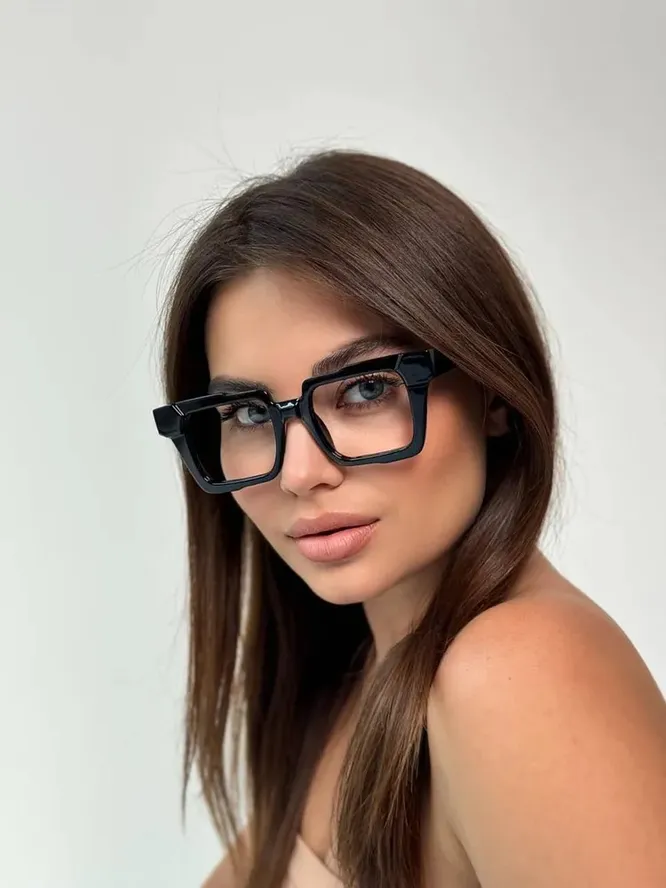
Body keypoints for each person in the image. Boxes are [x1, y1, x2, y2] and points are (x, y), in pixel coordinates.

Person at [152, 150, 666, 888]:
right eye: (249, 414)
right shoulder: (360, 681)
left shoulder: (514, 673)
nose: (300, 472)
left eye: (365, 389)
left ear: (493, 391)